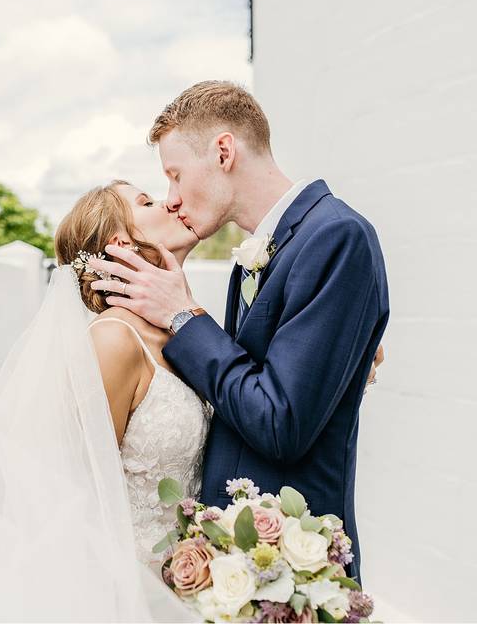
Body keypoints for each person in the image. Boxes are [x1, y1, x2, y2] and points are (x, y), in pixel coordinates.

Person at [87, 80, 390, 584]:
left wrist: (185, 319)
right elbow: (249, 385)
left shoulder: (335, 236)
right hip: (230, 563)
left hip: (294, 565)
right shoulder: (251, 261)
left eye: (175, 175)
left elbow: (279, 419)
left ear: (223, 151)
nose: (172, 198)